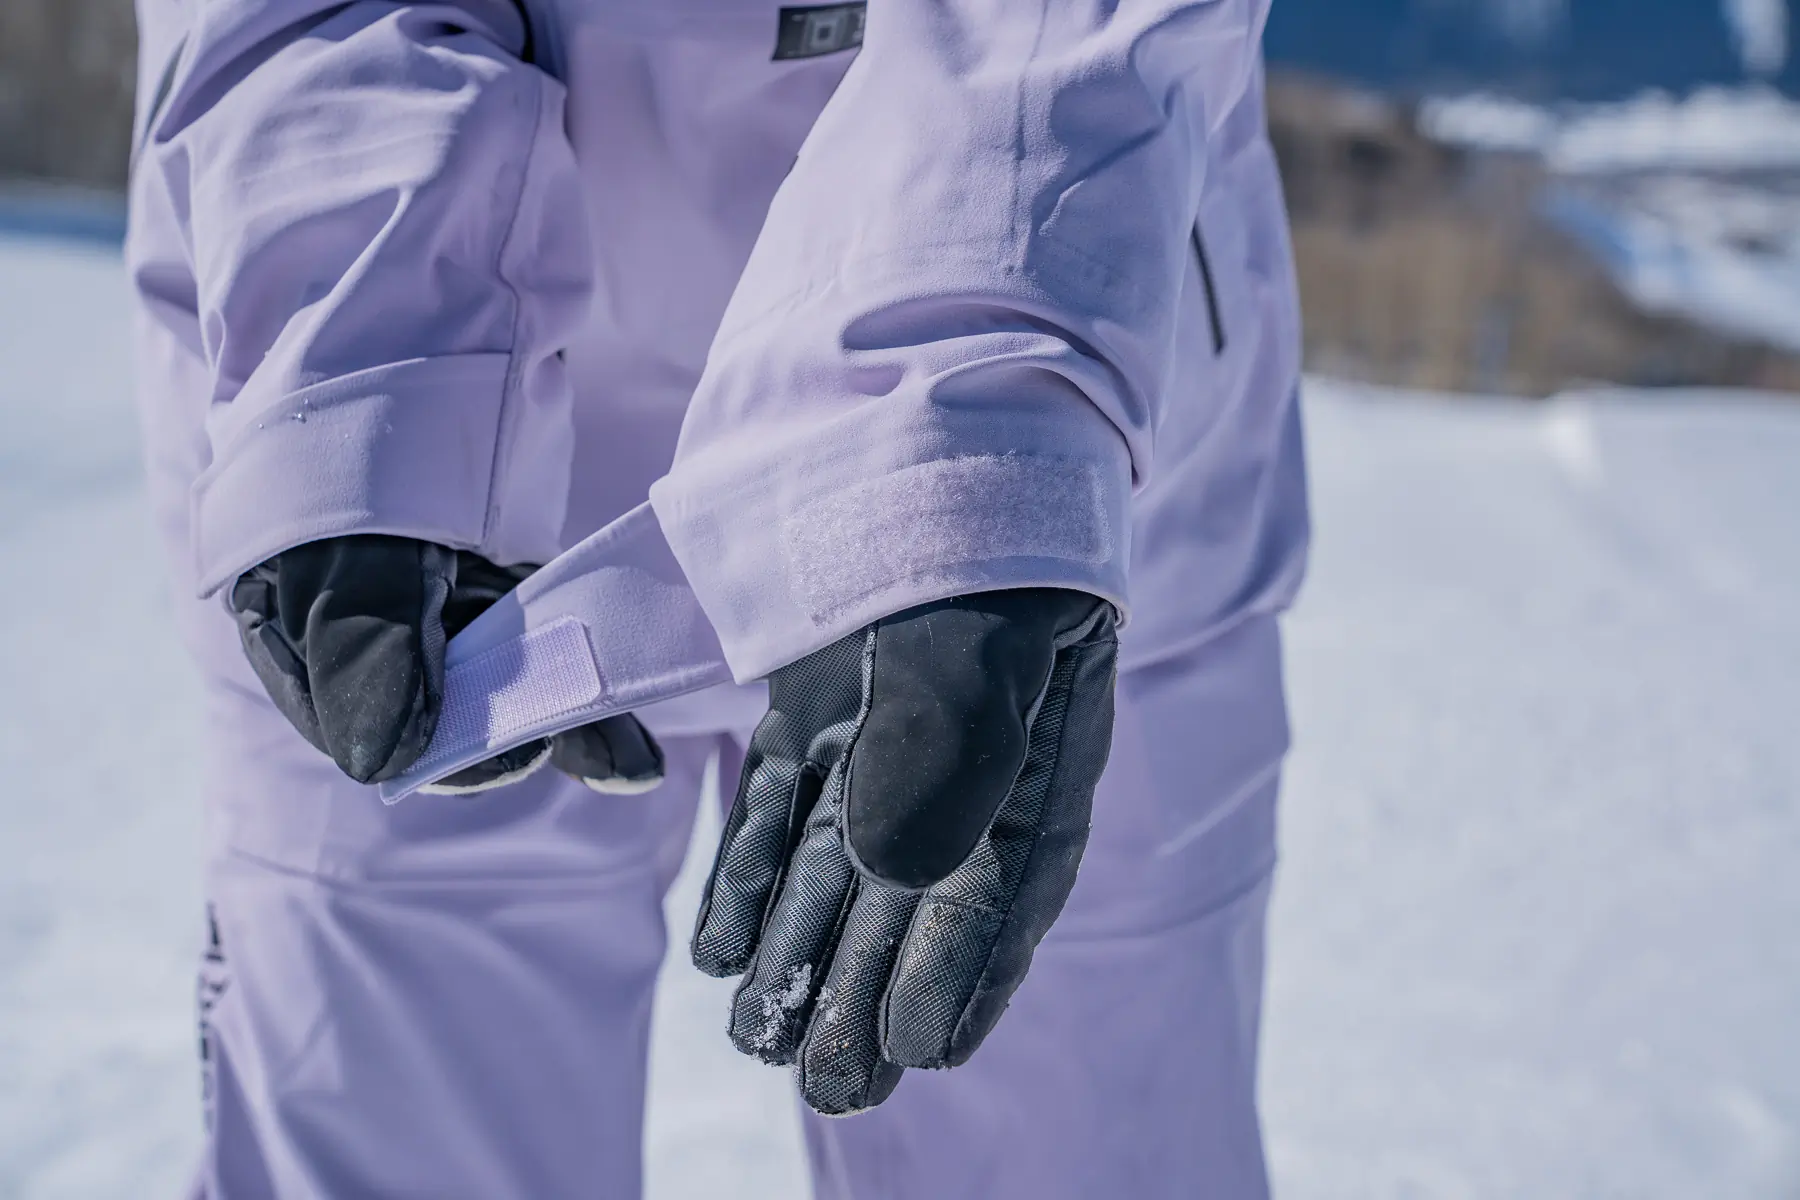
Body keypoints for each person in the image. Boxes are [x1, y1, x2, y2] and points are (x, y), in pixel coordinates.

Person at [126, 0, 1309, 1195]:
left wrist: (972, 436)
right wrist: (359, 409)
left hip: (1050, 474)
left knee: (1079, 1148)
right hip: (436, 538)